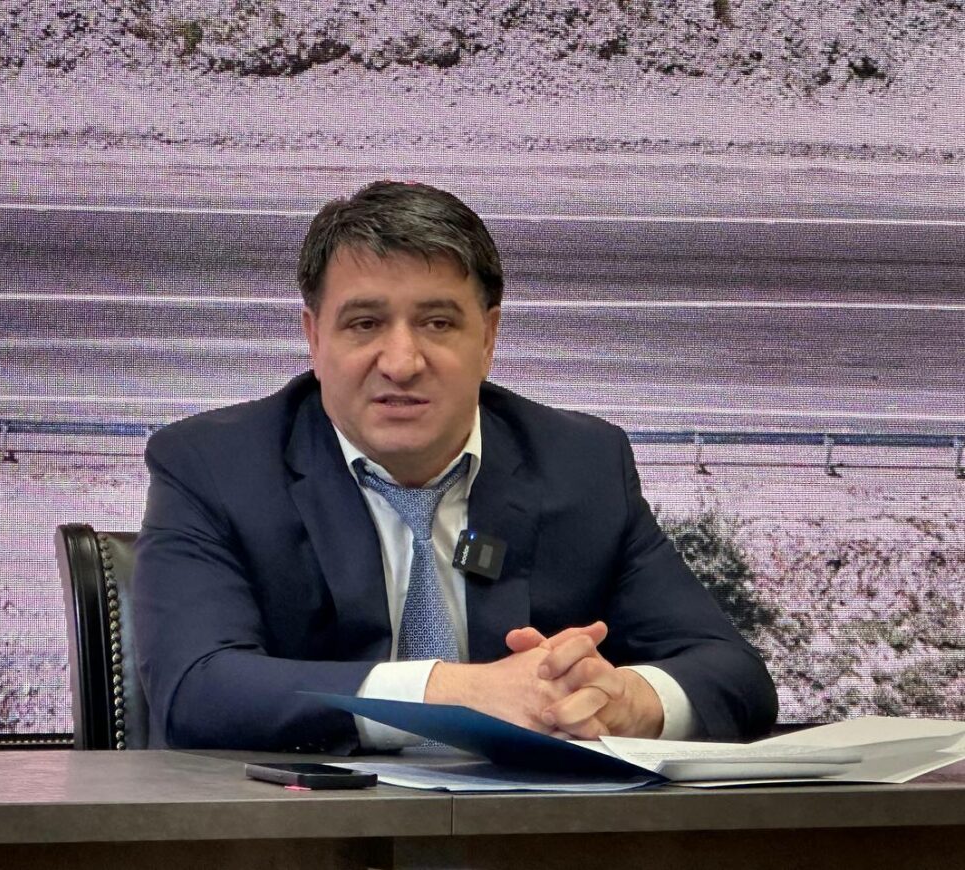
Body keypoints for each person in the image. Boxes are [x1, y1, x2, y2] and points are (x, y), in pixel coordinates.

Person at [134, 180, 778, 752]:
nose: (401, 362)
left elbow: (733, 673)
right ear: (314, 337)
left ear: (489, 337)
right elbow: (197, 689)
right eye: (365, 323)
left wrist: (629, 700)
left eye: (438, 323)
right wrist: (454, 694)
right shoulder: (213, 466)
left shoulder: (580, 463)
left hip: (525, 831)